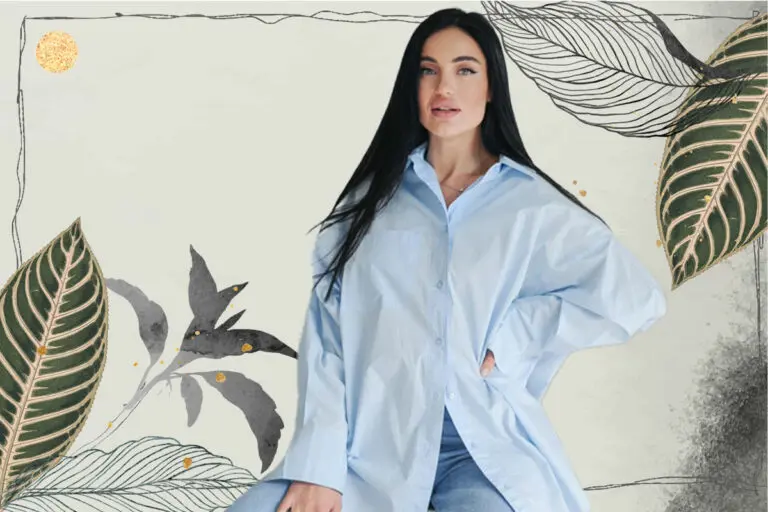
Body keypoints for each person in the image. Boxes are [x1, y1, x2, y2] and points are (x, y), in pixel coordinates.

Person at [228, 7, 666, 512]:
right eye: (428, 70)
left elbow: (635, 299)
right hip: (367, 452)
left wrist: (516, 335)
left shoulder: (532, 207)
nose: (444, 88)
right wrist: (319, 471)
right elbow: (327, 345)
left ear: (491, 87)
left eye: (465, 70)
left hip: (481, 454)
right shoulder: (369, 207)